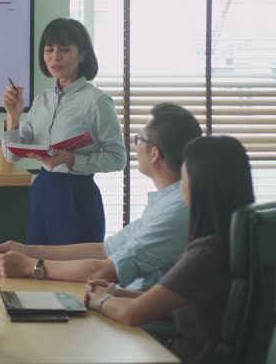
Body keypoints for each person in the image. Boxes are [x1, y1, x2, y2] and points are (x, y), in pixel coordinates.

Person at [0, 103, 202, 292]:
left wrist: (30, 266)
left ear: (155, 153)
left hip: (142, 322)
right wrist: (25, 250)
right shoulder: (166, 202)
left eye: (139, 140)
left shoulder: (177, 209)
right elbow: (102, 251)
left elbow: (107, 270)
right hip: (121, 299)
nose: (135, 146)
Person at [84, 135, 254, 364]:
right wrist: (118, 293)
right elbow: (176, 303)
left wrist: (98, 301)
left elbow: (130, 314)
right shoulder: (239, 240)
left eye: (183, 175)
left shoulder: (206, 253)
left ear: (198, 183)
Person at [2, 18, 126, 245]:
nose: (55, 57)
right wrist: (13, 116)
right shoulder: (41, 100)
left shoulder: (97, 101)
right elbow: (12, 156)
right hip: (43, 190)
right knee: (36, 267)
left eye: (65, 50)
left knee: (72, 272)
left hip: (76, 195)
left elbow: (118, 159)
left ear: (82, 55)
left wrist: (72, 159)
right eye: (49, 50)